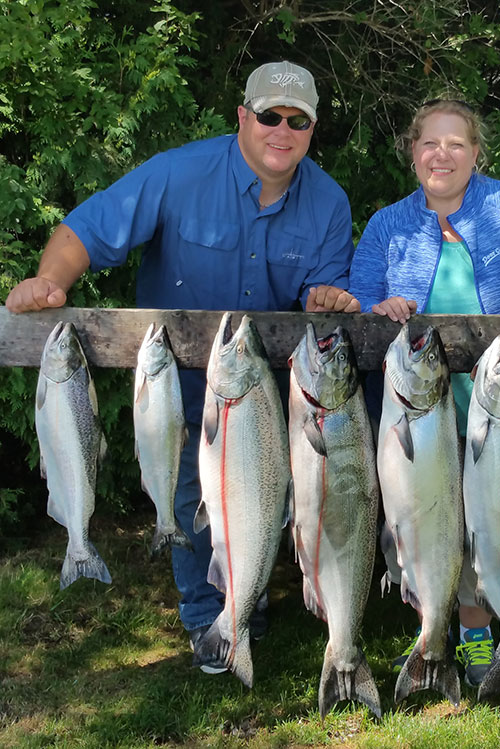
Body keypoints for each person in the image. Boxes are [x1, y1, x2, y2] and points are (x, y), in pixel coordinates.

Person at [5, 60, 360, 668]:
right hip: (174, 383)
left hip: (265, 384)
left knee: (264, 497)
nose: (282, 129)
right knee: (190, 491)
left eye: (297, 120)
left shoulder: (328, 202)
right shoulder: (178, 172)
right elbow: (86, 231)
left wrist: (327, 297)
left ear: (311, 129)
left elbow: (322, 293)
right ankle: (205, 617)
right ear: (243, 117)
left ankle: (246, 603)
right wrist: (47, 282)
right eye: (270, 115)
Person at [348, 98, 500, 688]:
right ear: (413, 151)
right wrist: (380, 306)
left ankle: (481, 635)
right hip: (417, 409)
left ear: (476, 153)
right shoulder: (387, 225)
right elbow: (360, 298)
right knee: (429, 518)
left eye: (457, 143)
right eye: (431, 143)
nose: (443, 154)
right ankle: (432, 631)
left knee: (492, 520)